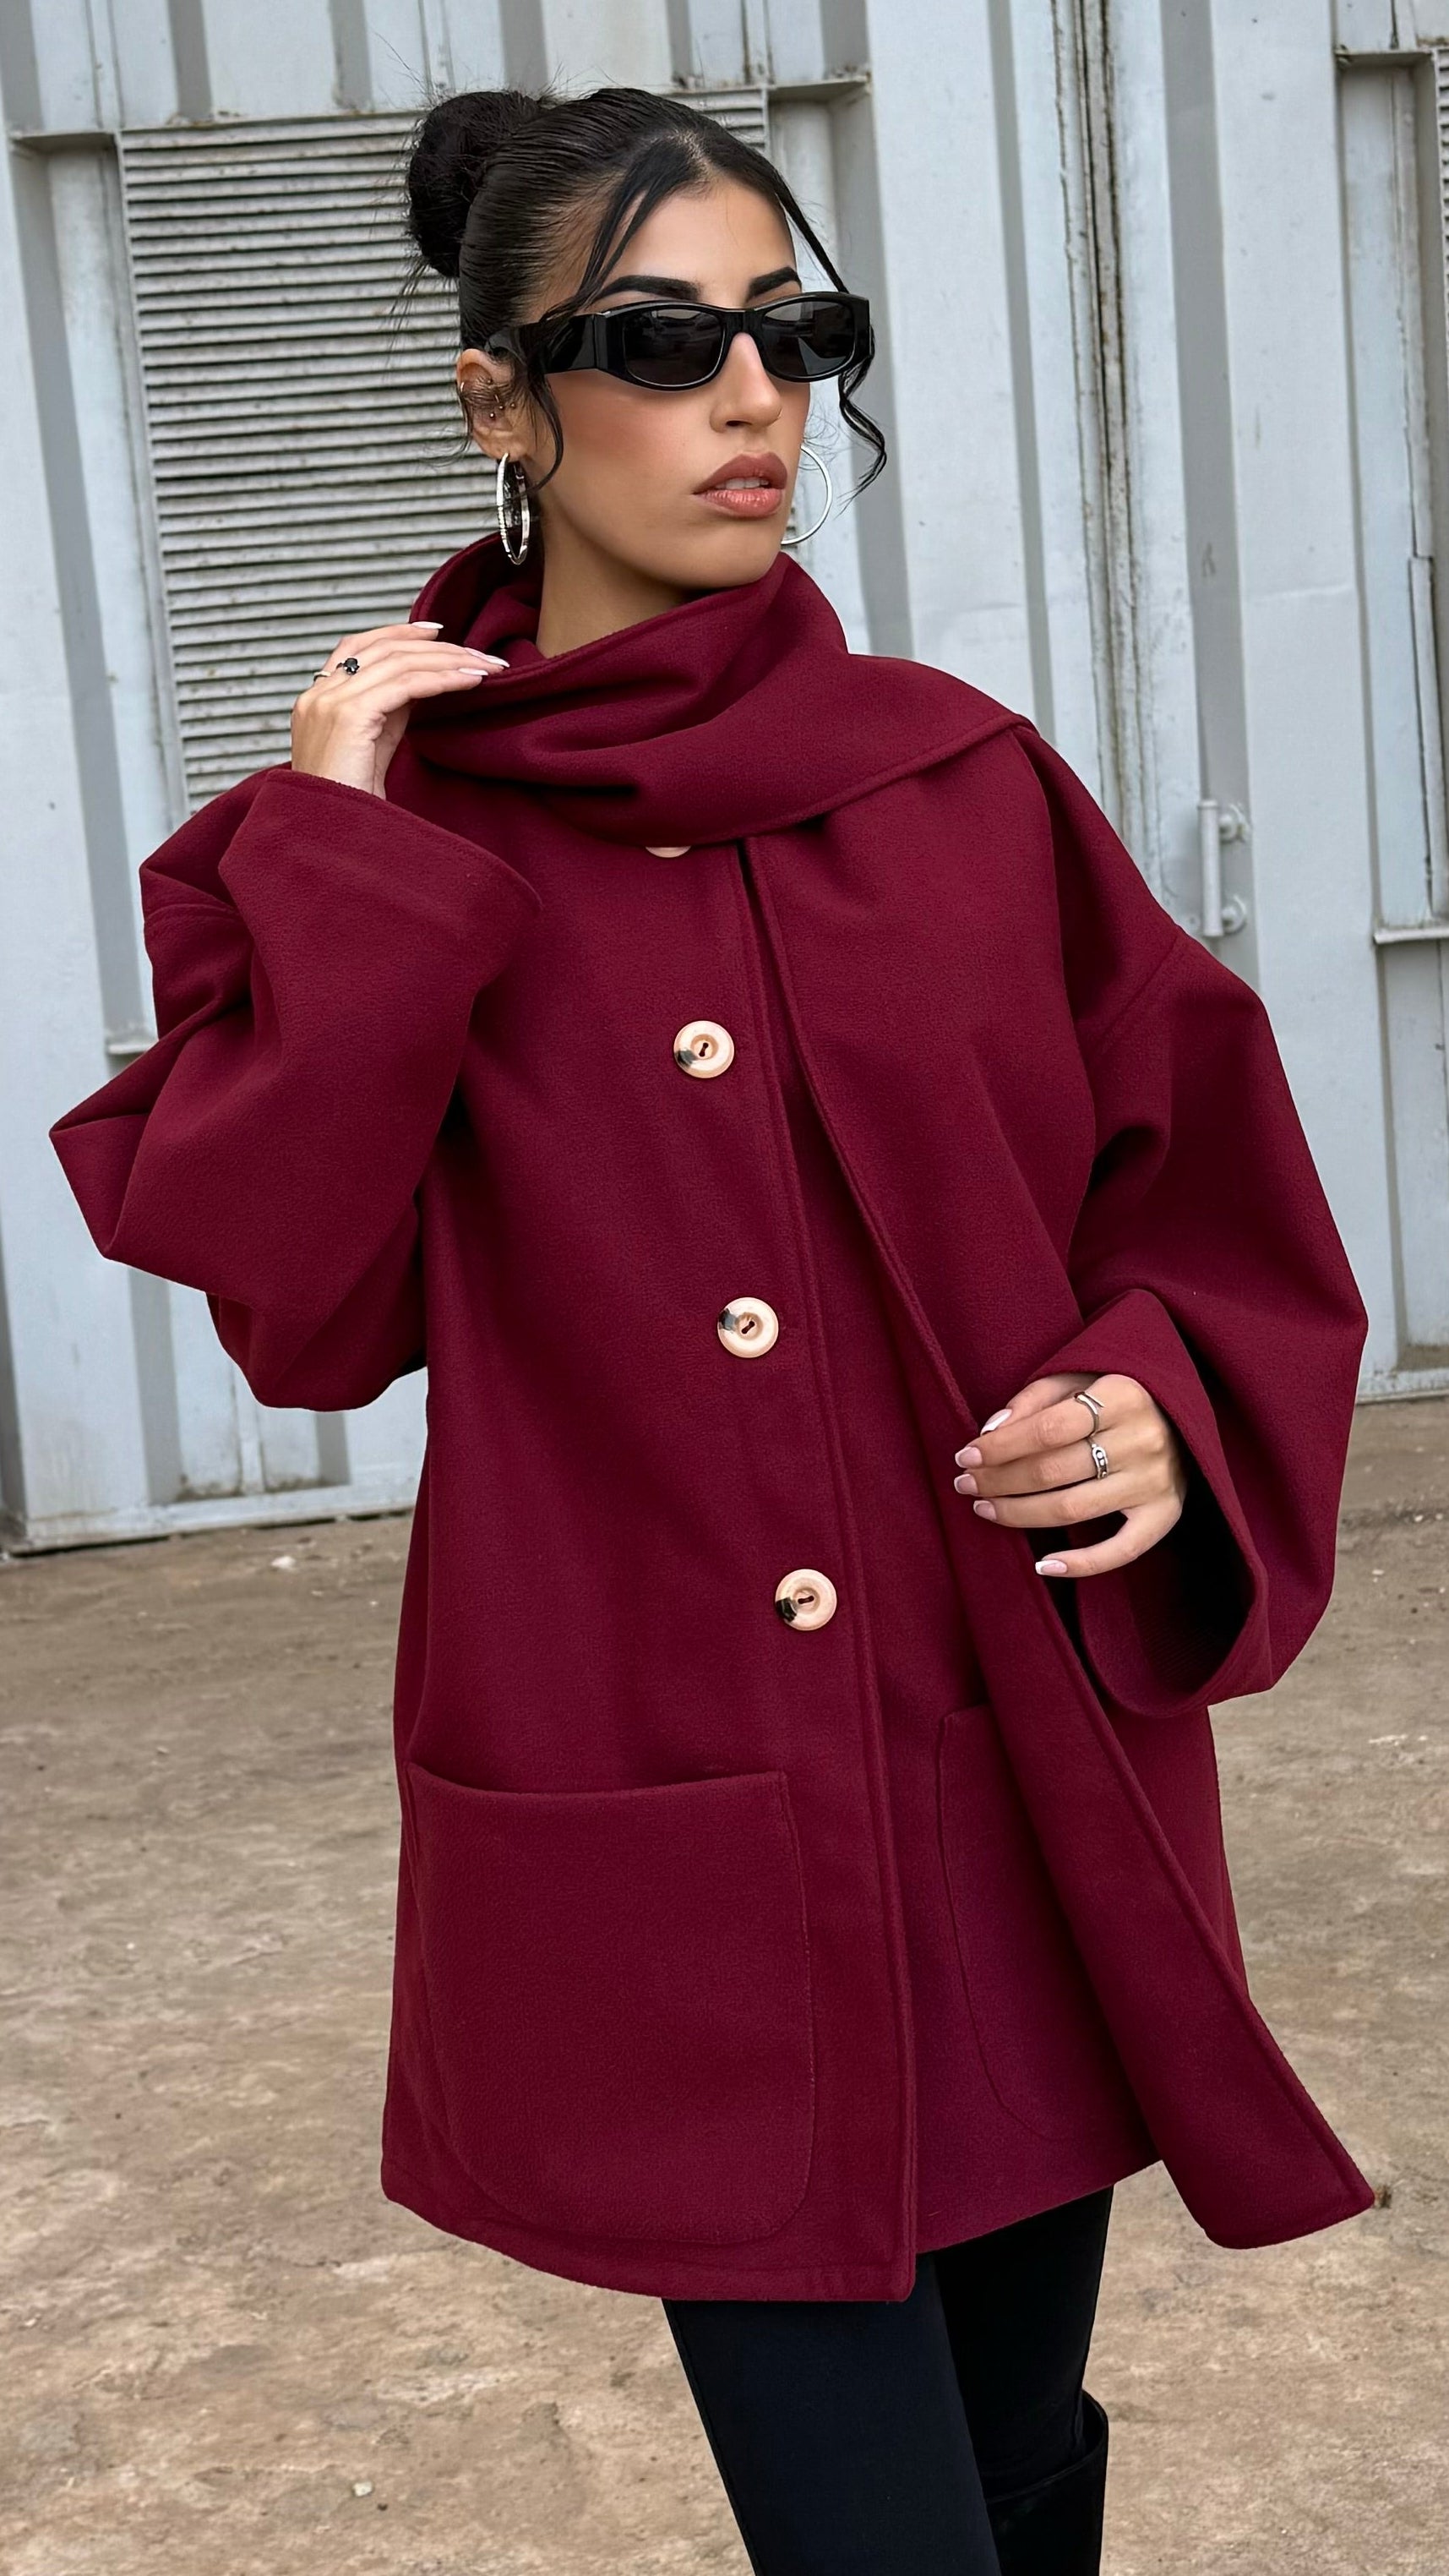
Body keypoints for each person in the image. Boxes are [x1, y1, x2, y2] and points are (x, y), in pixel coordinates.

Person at [51, 84, 1375, 2576]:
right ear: (502, 399)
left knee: (1020, 2468)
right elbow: (301, 1309)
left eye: (796, 334)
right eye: (661, 342)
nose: (751, 397)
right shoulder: (362, 847)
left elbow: (1199, 1202)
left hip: (1010, 1777)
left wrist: (1151, 1402)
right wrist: (340, 860)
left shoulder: (963, 789)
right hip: (665, 1817)